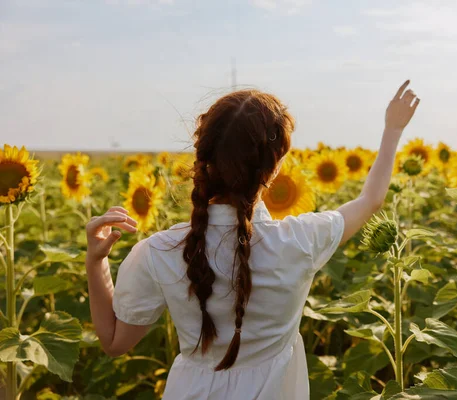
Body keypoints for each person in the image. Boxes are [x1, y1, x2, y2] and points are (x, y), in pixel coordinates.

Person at [85, 81, 420, 399]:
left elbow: (114, 342)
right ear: (274, 168)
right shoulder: (300, 241)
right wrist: (392, 131)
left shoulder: (160, 251)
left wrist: (96, 261)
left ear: (204, 157)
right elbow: (370, 200)